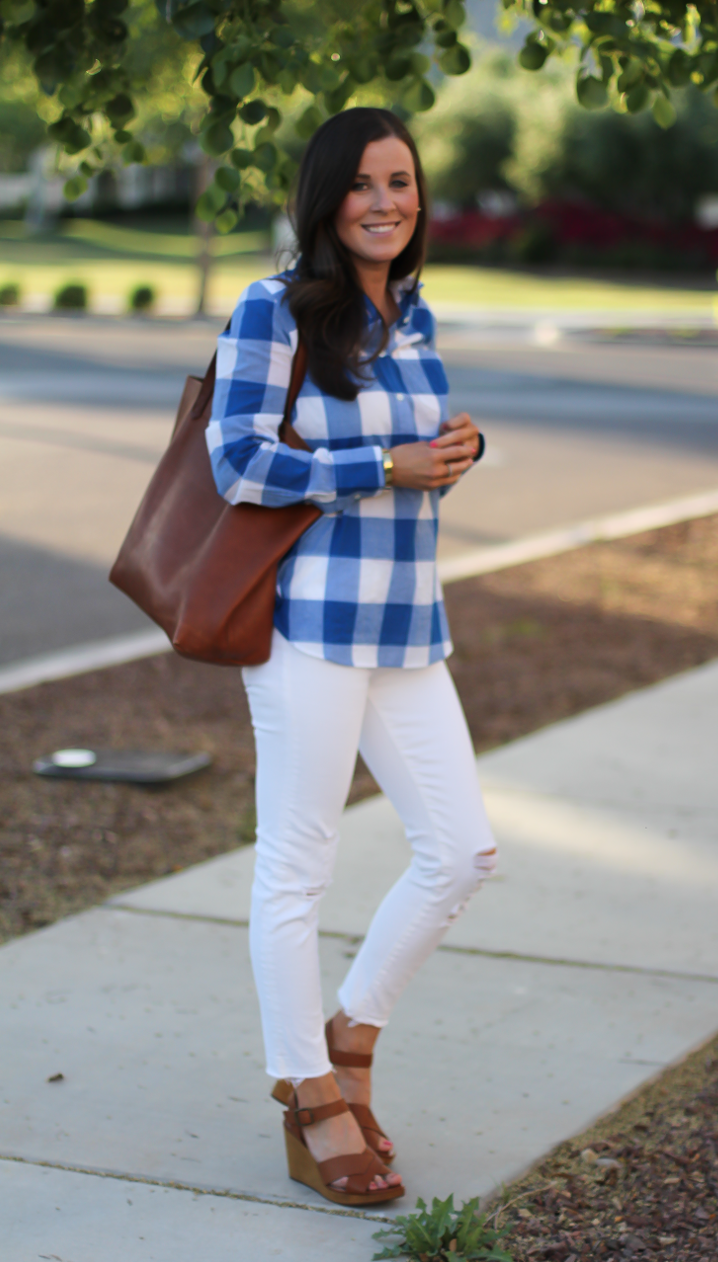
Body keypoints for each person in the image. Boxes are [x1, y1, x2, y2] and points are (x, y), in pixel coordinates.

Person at [207, 107, 497, 1207]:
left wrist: (449, 454)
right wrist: (383, 461)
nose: (388, 201)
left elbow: (402, 453)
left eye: (404, 182)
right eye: (367, 182)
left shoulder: (413, 316)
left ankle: (350, 1035)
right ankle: (307, 1091)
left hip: (405, 625)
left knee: (462, 850)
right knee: (298, 865)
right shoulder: (272, 309)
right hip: (306, 628)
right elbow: (235, 459)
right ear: (328, 196)